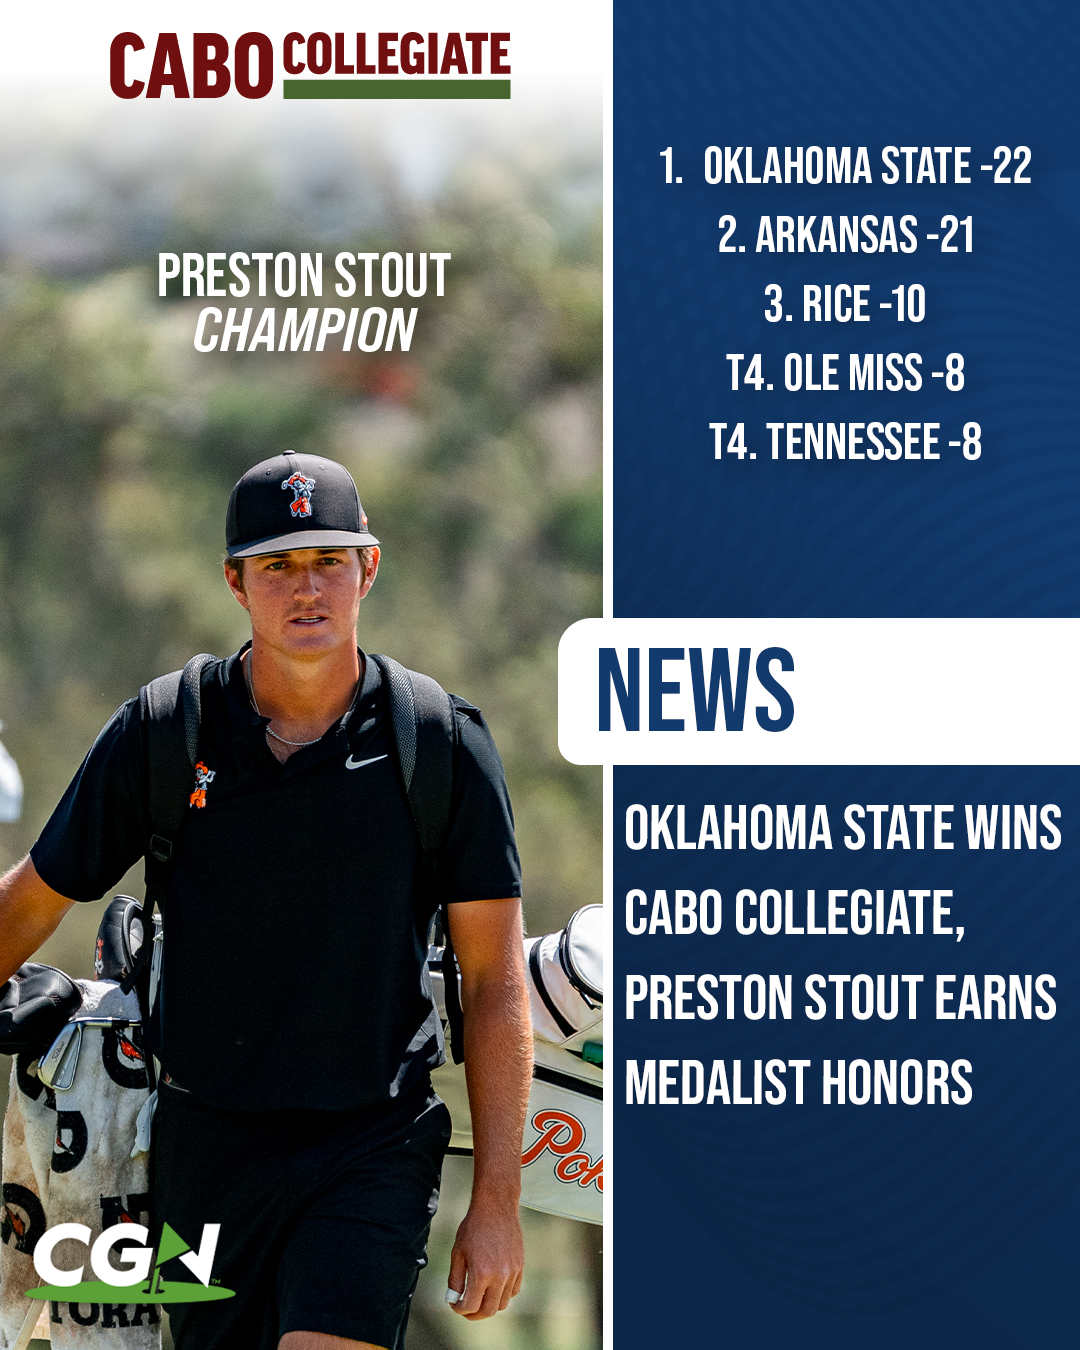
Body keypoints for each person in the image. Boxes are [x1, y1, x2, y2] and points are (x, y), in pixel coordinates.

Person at [0, 450, 533, 1350]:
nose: (307, 588)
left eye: (328, 559)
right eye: (277, 565)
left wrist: (499, 1205)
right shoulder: (166, 732)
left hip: (372, 1141)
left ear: (369, 567)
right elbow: (33, 901)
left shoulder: (440, 743)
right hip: (206, 1148)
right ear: (235, 584)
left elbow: (495, 984)